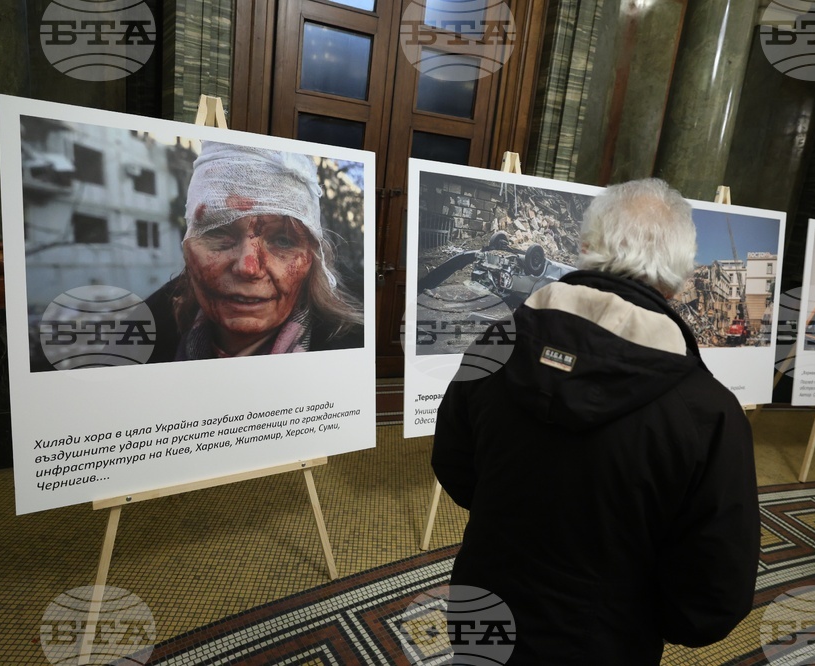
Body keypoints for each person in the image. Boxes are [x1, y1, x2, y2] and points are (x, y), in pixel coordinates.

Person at [432, 178, 760, 664]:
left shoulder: (495, 346)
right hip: (604, 641)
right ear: (678, 276)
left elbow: (454, 463)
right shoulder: (707, 413)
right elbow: (714, 593)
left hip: (483, 609)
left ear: (586, 248)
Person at [147, 141, 362, 361]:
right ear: (187, 245)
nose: (248, 268)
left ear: (313, 259)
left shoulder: (358, 356)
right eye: (219, 233)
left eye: (283, 240)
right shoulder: (134, 347)